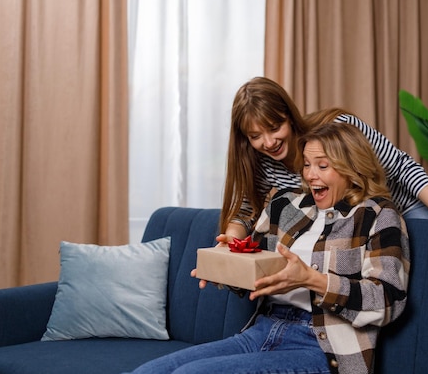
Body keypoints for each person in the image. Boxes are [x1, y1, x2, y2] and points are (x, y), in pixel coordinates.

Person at [126, 122, 410, 374]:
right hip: (264, 329)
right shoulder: (285, 206)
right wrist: (227, 267)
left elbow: (387, 300)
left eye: (322, 166)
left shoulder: (377, 215)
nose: (311, 175)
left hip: (324, 347)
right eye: (307, 165)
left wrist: (313, 280)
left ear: (352, 168)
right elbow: (257, 273)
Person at [220, 76, 428, 244]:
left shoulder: (341, 129)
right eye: (256, 136)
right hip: (358, 231)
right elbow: (246, 211)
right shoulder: (262, 164)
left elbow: (401, 166)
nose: (269, 142)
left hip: (402, 209)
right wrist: (228, 246)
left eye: (275, 127)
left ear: (290, 116)